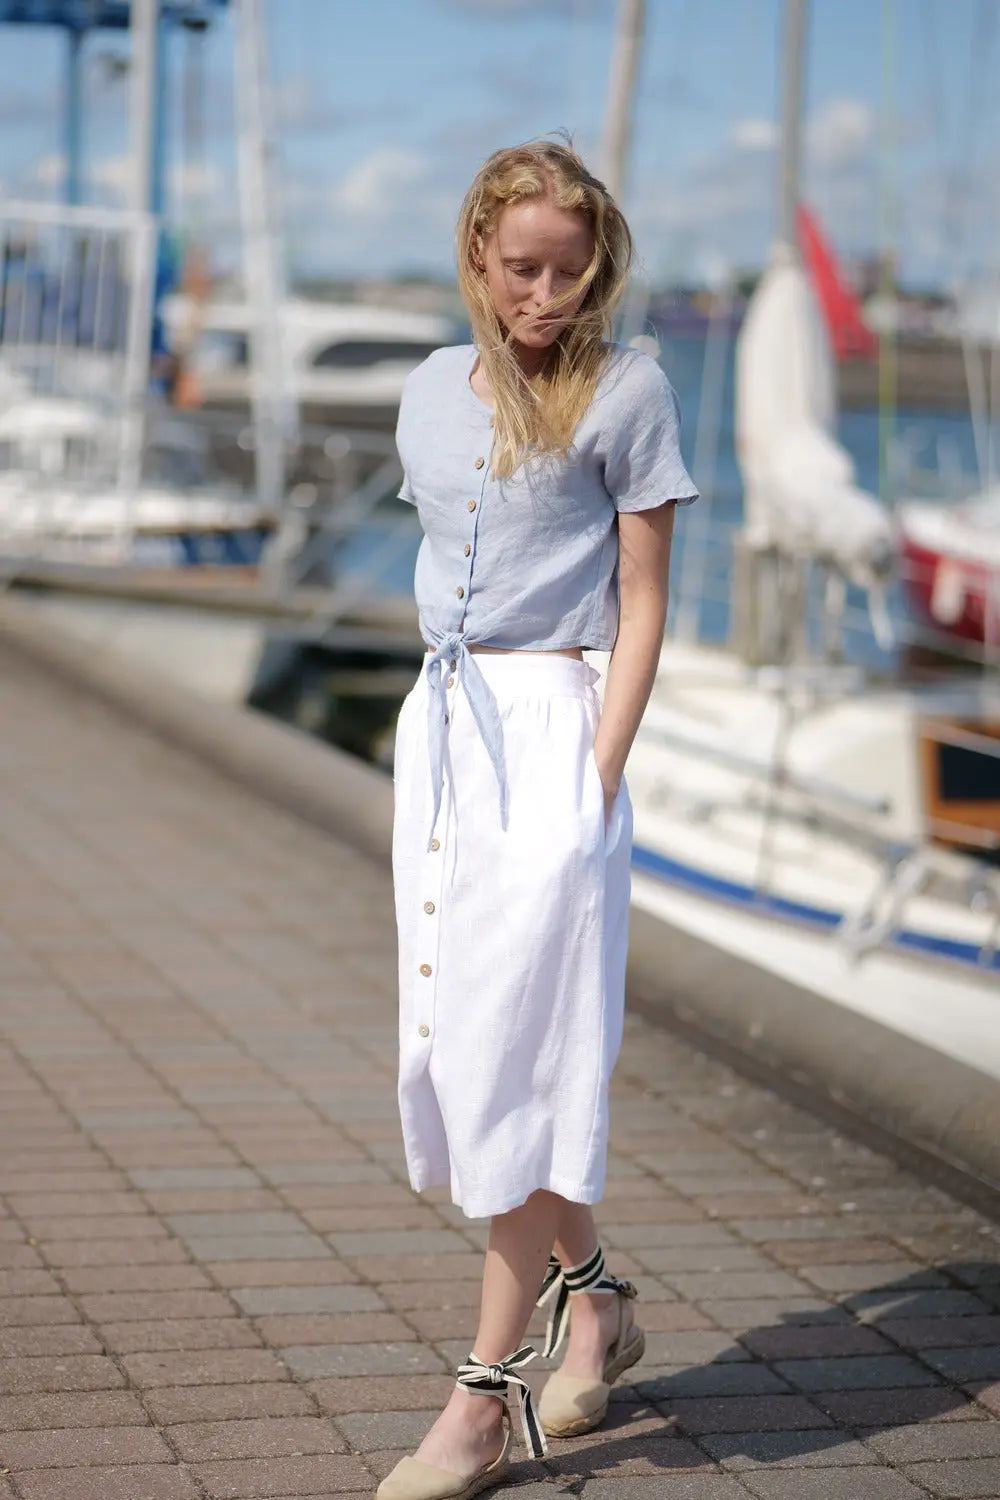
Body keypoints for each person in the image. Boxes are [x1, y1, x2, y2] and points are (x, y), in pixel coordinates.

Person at [379, 140, 698, 1500]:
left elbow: (645, 598)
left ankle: (480, 1395)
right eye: (522, 268)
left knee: (514, 1052)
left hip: (555, 731)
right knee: (466, 1044)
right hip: (447, 736)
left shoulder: (629, 389)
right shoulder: (425, 389)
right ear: (478, 255)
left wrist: (598, 776)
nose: (546, 295)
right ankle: (597, 1300)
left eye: (570, 270)